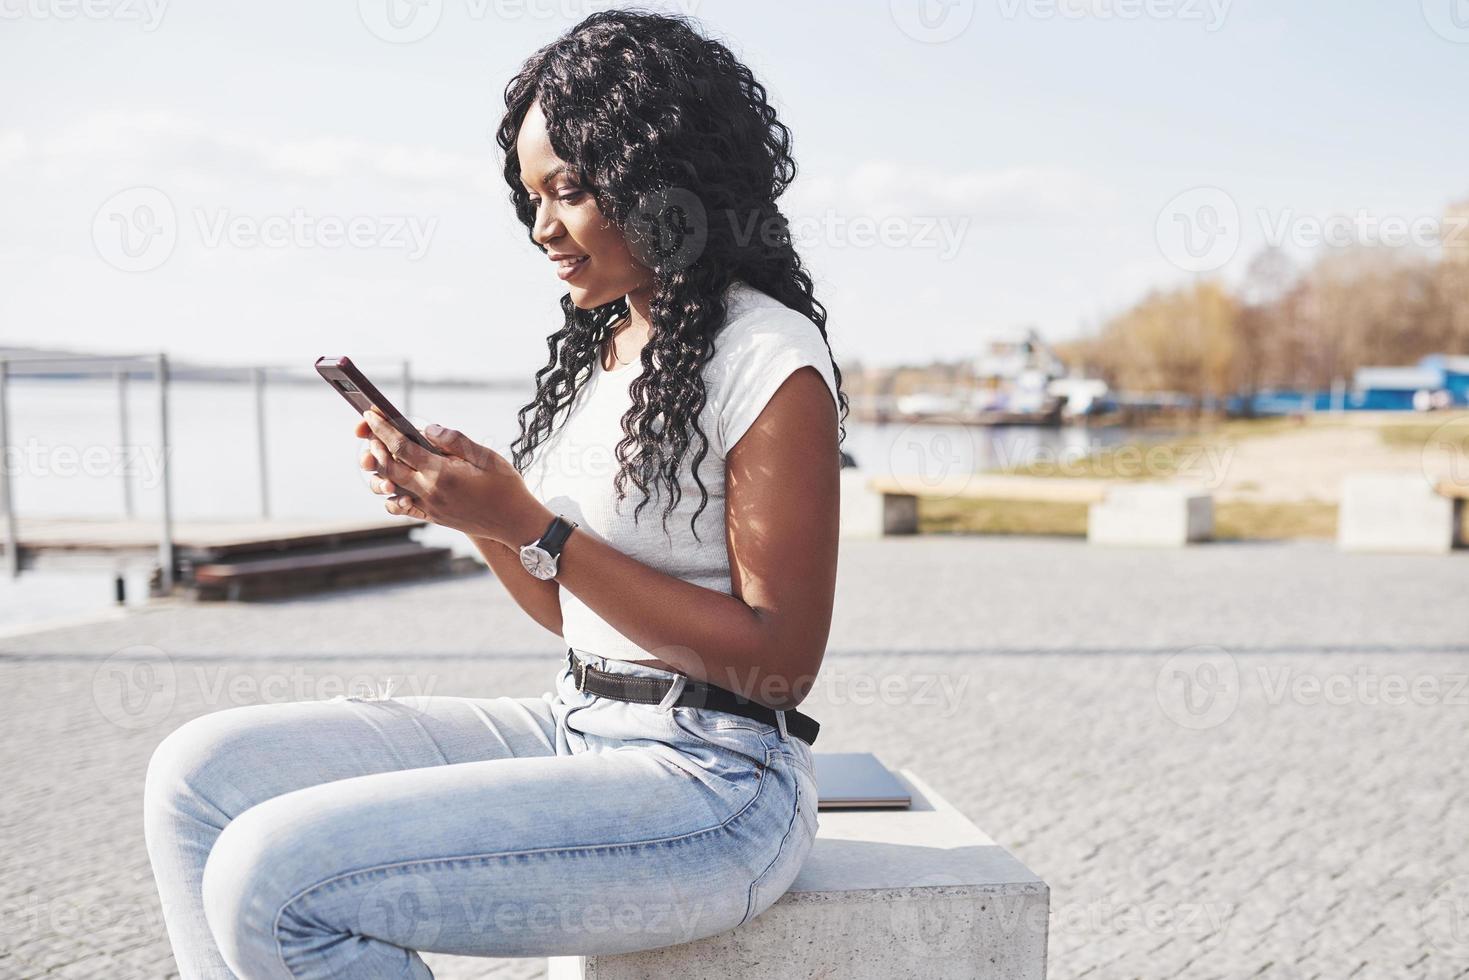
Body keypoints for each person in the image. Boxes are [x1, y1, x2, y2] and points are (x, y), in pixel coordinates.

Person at [143, 9, 849, 977]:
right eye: (530, 195)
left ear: (662, 180)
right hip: (574, 722)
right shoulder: (614, 347)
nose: (542, 228)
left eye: (567, 190)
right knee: (197, 773)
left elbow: (780, 662)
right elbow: (573, 613)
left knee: (274, 875)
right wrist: (478, 517)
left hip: (715, 783)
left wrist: (532, 523)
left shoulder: (768, 359)